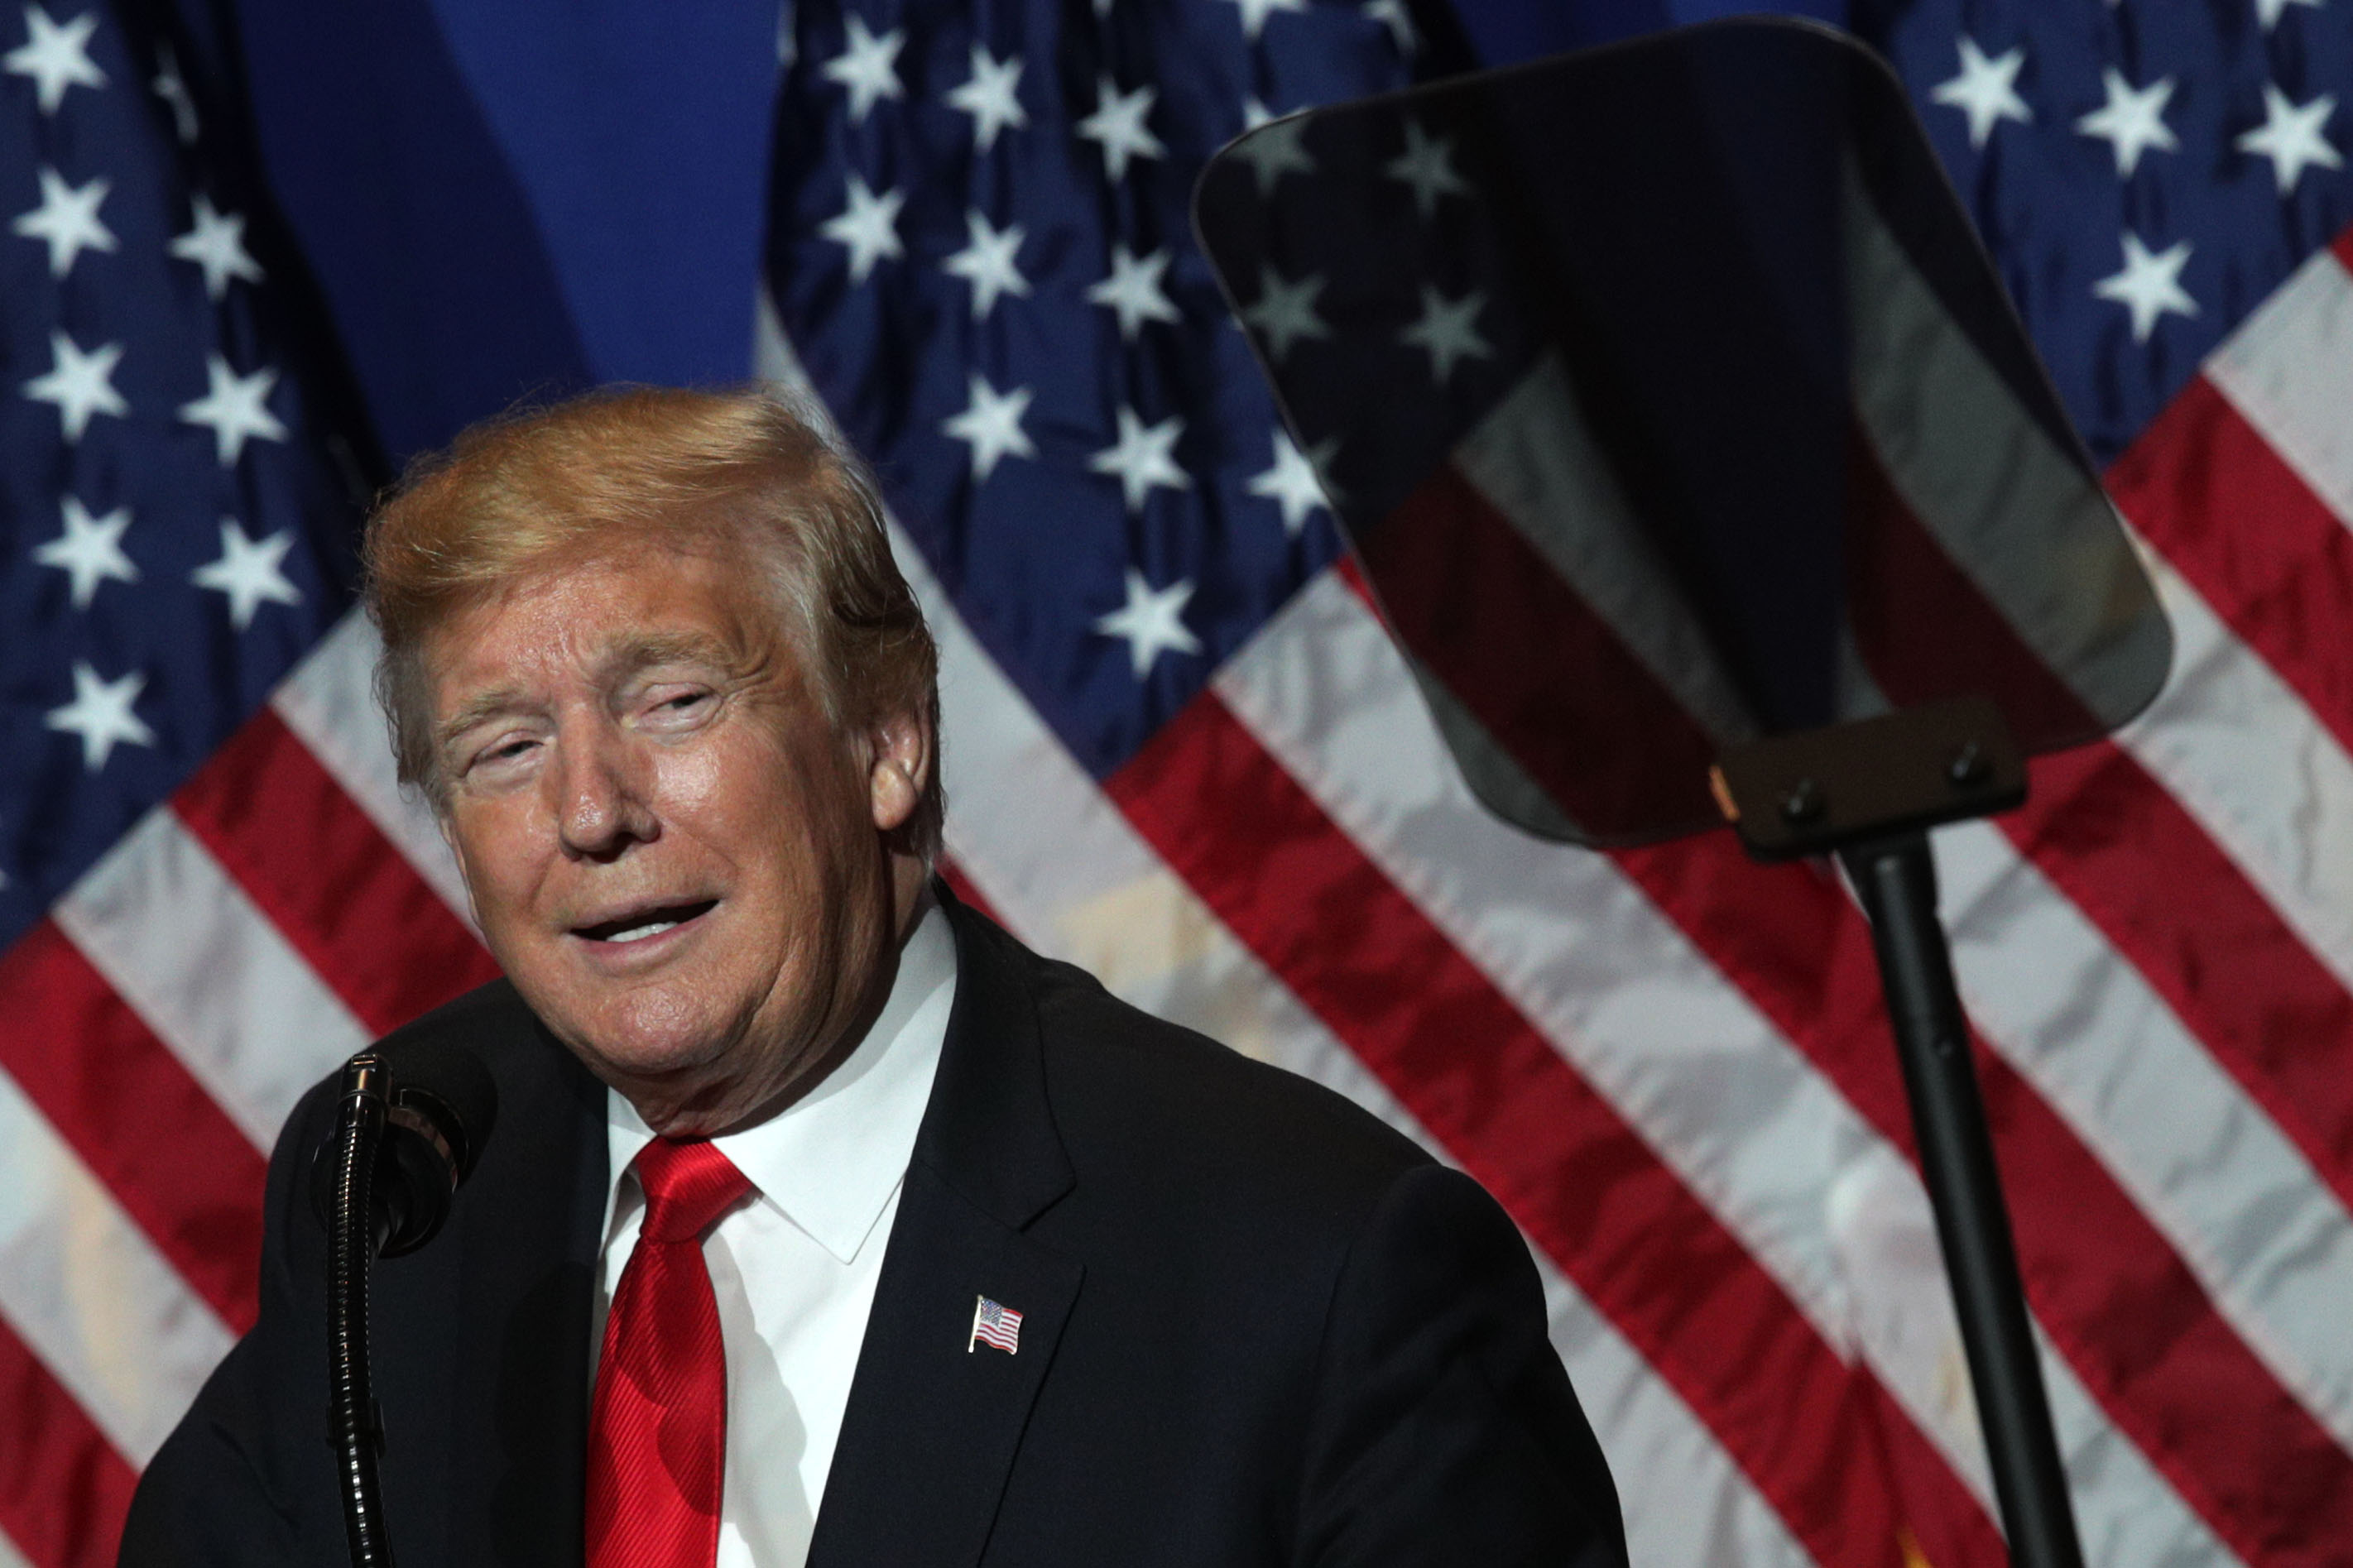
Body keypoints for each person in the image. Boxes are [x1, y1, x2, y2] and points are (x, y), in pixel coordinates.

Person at [118, 388, 1628, 1566]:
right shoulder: (402, 1182)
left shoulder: (1312, 1270)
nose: (589, 812)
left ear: (888, 739)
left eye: (674, 701)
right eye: (503, 749)